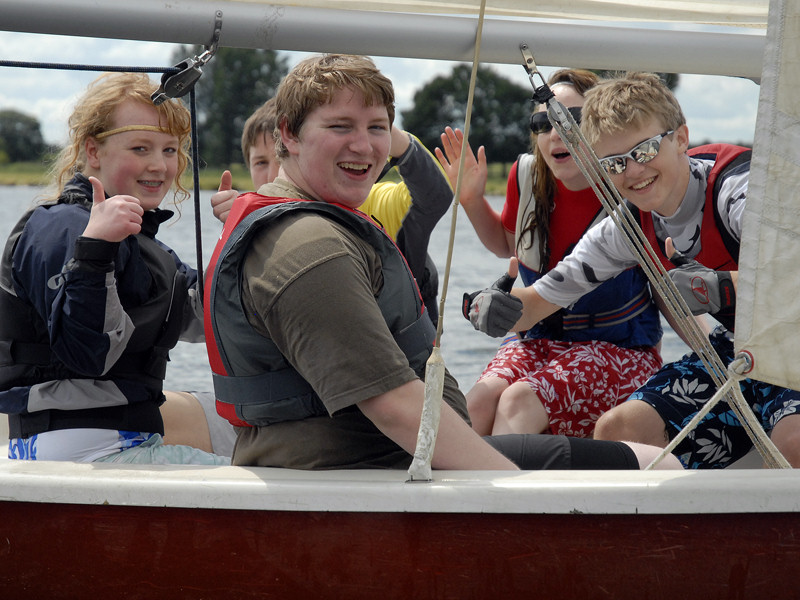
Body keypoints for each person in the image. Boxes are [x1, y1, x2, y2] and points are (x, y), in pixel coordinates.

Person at [204, 53, 681, 471]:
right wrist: (506, 490)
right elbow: (393, 406)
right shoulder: (308, 245)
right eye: (339, 127)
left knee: (509, 400)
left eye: (376, 129)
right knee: (640, 463)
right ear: (289, 135)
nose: (364, 145)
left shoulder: (631, 187)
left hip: (614, 351)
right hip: (379, 459)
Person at [465, 71, 800, 468]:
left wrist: (724, 288)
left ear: (680, 138)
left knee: (792, 442)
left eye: (643, 152)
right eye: (613, 163)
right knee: (620, 431)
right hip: (739, 351)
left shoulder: (737, 191)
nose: (632, 172)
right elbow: (539, 300)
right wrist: (490, 305)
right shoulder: (628, 227)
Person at [0, 72, 227, 464]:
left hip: (123, 440)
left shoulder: (145, 246)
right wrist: (94, 252)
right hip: (81, 450)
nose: (159, 165)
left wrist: (239, 235)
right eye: (141, 148)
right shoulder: (62, 229)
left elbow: (207, 317)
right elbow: (87, 354)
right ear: (93, 152)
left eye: (170, 150)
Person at [435, 69, 662, 438]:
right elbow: (507, 245)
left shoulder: (630, 188)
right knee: (474, 404)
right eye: (542, 123)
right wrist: (472, 200)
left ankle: (504, 494)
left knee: (519, 401)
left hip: (621, 352)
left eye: (570, 118)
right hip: (539, 341)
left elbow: (668, 290)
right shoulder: (527, 178)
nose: (555, 132)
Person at [210, 96, 452, 323]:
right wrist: (240, 229)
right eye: (261, 162)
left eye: (284, 156)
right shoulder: (248, 222)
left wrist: (380, 131)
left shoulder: (373, 202)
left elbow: (435, 194)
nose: (275, 172)